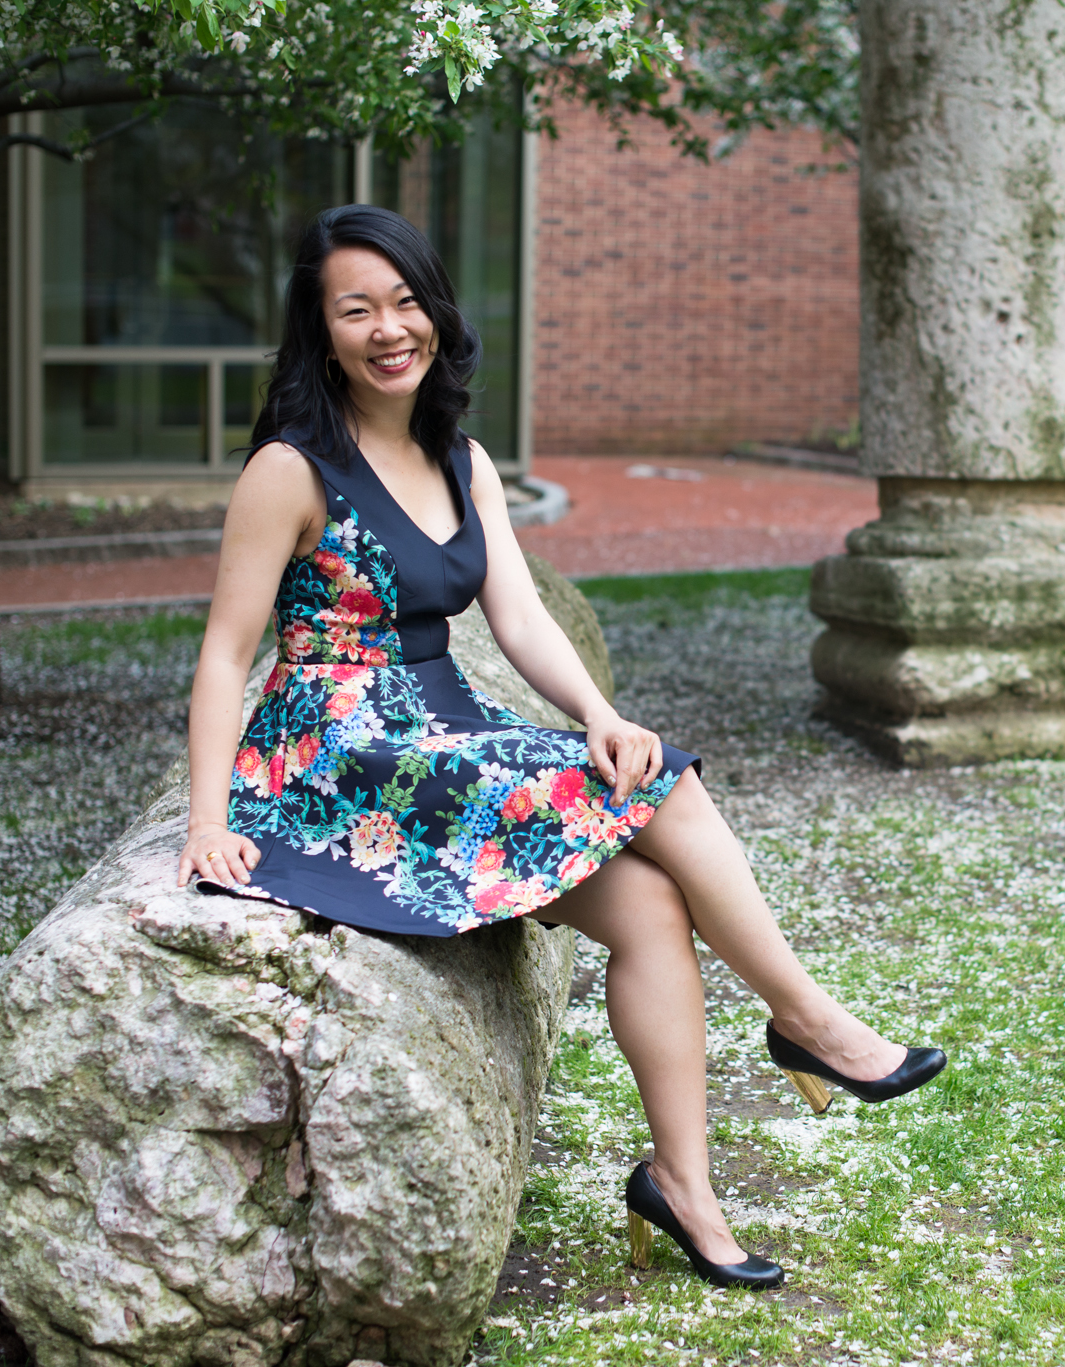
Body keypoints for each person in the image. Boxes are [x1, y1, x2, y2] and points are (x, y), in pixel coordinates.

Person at [174, 205, 944, 1290]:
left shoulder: (460, 456)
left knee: (650, 901)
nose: (387, 329)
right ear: (320, 327)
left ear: (434, 312)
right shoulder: (289, 470)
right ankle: (806, 1018)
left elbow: (520, 616)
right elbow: (223, 653)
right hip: (337, 753)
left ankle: (684, 1187)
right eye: (356, 309)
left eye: (405, 303)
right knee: (664, 786)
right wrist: (209, 820)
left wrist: (597, 713)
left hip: (441, 727)